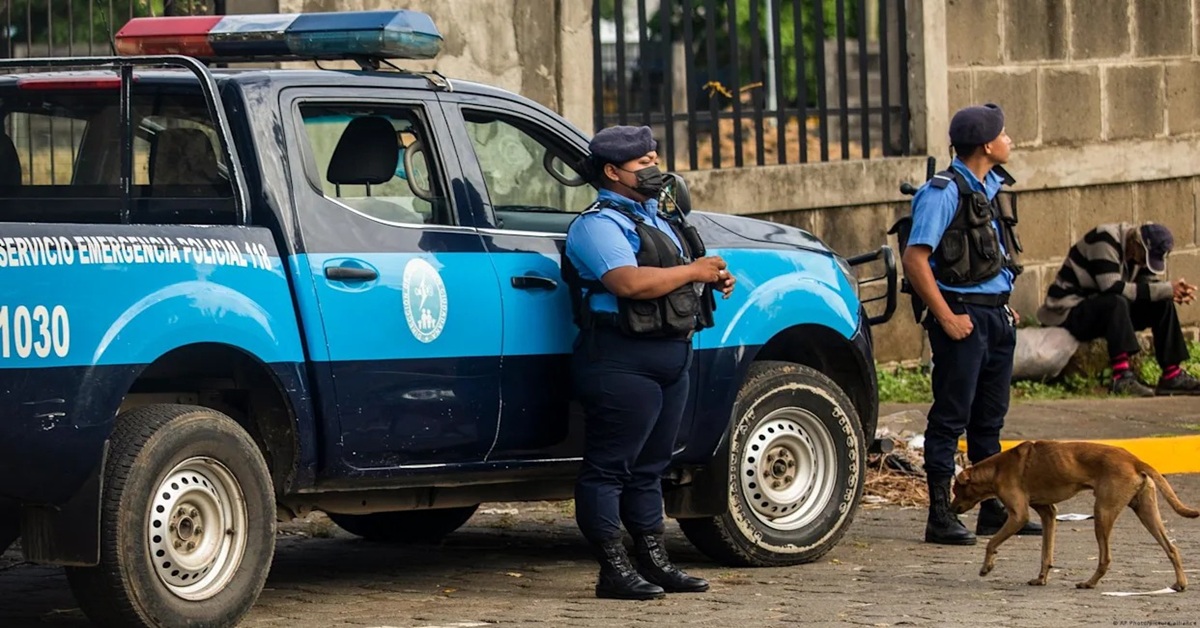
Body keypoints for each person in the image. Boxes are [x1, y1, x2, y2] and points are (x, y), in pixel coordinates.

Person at [562, 125, 736, 600]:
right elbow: (628, 283)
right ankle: (612, 569)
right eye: (642, 164)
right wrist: (693, 271)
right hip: (620, 358)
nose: (654, 169)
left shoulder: (658, 217)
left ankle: (654, 561)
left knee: (652, 466)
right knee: (610, 468)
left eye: (655, 158)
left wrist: (713, 277)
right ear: (612, 172)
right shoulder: (597, 224)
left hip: (670, 353)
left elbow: (675, 274)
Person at [901, 103, 1042, 546]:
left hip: (993, 316)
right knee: (950, 418)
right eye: (1004, 133)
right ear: (986, 144)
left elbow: (990, 258)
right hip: (962, 317)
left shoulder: (990, 186)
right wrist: (946, 316)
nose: (1010, 139)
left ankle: (991, 507)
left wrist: (1003, 305)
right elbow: (915, 259)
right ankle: (941, 514)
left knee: (988, 420)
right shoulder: (942, 191)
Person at [1037, 222, 1199, 396]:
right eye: (1145, 259)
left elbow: (1148, 287)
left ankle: (1172, 375)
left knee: (1162, 302)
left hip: (1102, 311)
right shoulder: (1104, 240)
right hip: (1069, 311)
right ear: (1135, 245)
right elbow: (1110, 286)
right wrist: (1165, 289)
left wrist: (1172, 292)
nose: (1144, 264)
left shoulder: (1137, 255)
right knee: (1116, 301)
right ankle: (1121, 377)